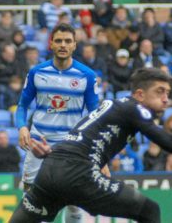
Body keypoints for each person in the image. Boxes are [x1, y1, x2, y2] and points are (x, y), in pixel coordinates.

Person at [10, 67, 172, 223]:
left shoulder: (114, 105)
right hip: (80, 173)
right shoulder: (136, 108)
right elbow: (165, 141)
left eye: (167, 93)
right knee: (150, 210)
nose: (166, 99)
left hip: (51, 167)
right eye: (159, 91)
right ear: (140, 95)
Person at [16, 23, 100, 223]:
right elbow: (22, 106)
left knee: (73, 202)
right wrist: (22, 127)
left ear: (74, 45)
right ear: (51, 44)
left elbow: (96, 114)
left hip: (70, 144)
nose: (63, 45)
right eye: (59, 41)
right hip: (38, 141)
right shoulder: (37, 72)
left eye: (68, 41)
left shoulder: (87, 76)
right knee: (30, 199)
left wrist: (97, 151)